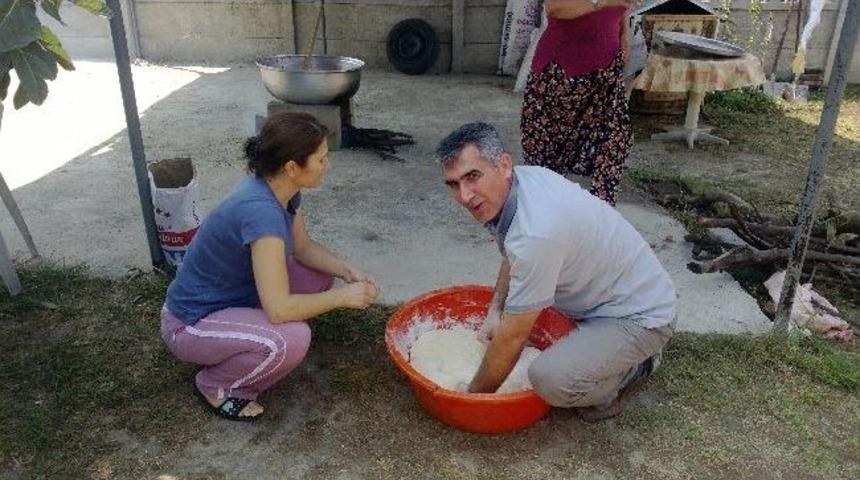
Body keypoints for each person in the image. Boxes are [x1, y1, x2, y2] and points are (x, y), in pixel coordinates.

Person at [437, 122, 676, 422]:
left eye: (472, 177)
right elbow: (514, 253)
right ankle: (605, 353)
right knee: (521, 324)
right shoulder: (522, 183)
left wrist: (471, 399)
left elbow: (511, 340)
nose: (466, 196)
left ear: (504, 165)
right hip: (598, 296)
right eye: (453, 184)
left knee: (550, 380)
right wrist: (495, 311)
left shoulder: (537, 231)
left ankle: (634, 369)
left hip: (639, 317)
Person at [160, 112, 379, 421]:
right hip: (190, 324)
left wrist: (346, 270)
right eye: (321, 159)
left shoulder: (281, 189)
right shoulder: (260, 212)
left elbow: (302, 249)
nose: (327, 165)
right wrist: (343, 298)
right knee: (292, 338)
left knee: (318, 275)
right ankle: (218, 384)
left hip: (234, 297)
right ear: (292, 167)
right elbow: (277, 309)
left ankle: (249, 339)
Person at [521, 0, 635, 206]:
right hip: (561, 75)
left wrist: (625, 37)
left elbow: (623, 9)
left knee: (616, 139)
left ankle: (602, 213)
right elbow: (554, 8)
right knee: (549, 155)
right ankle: (542, 213)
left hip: (606, 74)